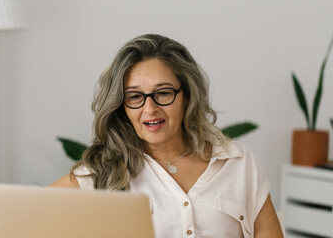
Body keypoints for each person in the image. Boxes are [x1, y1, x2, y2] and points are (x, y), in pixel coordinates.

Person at [51, 34, 283, 238]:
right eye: (134, 97)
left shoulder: (239, 162)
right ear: (122, 105)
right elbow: (28, 214)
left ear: (187, 97)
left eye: (163, 93)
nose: (150, 109)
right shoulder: (102, 171)